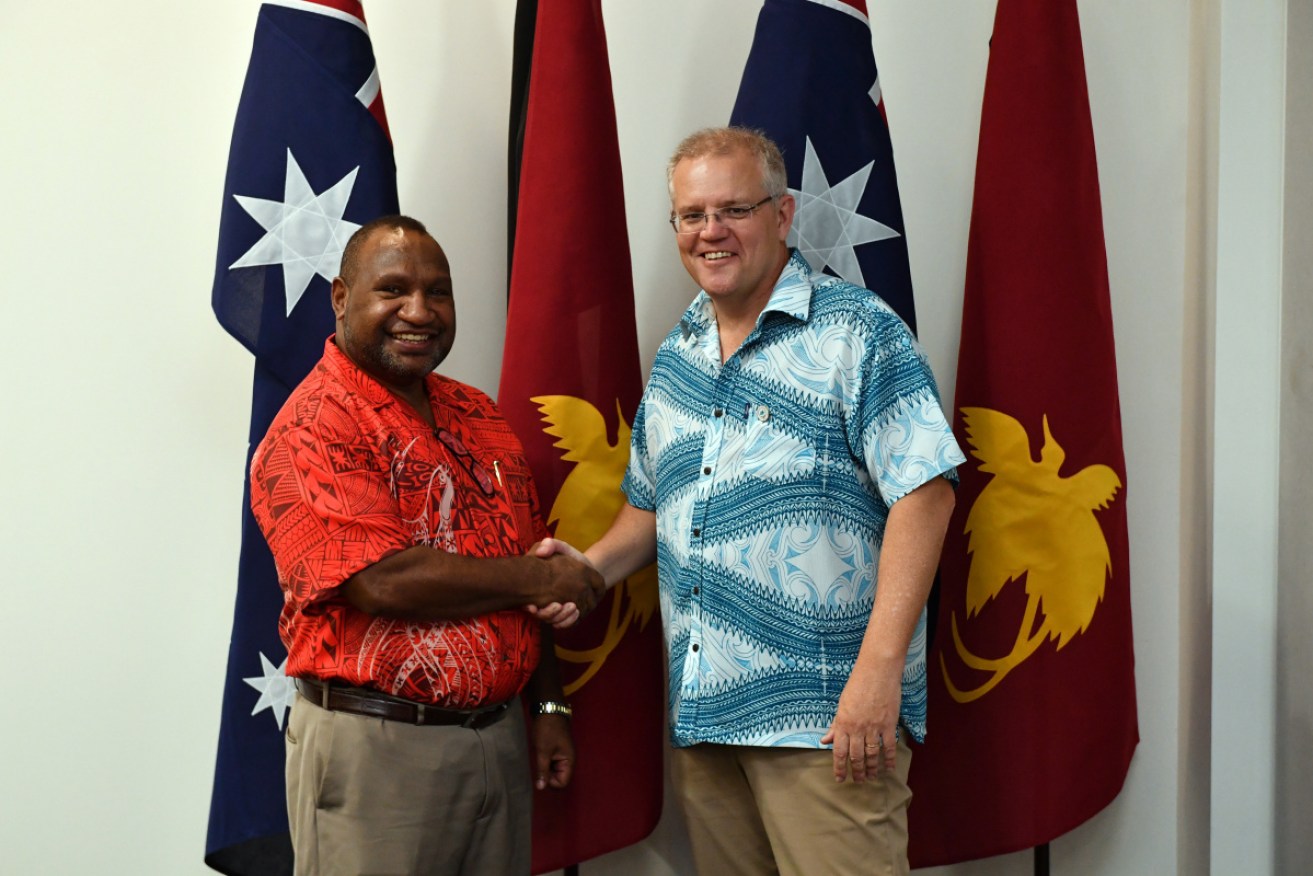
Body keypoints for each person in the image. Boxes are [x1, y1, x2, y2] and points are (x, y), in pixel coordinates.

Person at [538, 127, 966, 875]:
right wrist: (586, 571)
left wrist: (877, 673)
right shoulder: (678, 353)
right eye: (691, 214)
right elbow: (653, 506)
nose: (711, 231)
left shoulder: (857, 332)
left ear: (782, 213)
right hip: (707, 722)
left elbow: (925, 494)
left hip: (827, 721)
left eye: (733, 208)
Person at [248, 214, 604, 875]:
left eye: (437, 292)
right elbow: (380, 580)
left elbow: (530, 560)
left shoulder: (479, 414)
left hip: (497, 740)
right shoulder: (312, 427)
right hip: (377, 751)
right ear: (341, 297)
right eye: (393, 290)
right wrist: (541, 582)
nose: (419, 311)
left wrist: (547, 702)